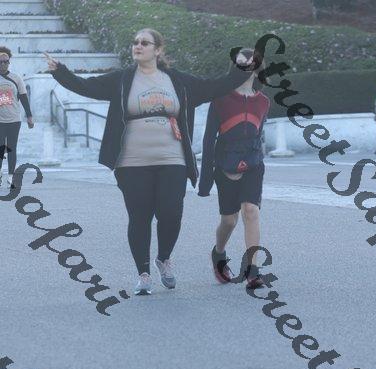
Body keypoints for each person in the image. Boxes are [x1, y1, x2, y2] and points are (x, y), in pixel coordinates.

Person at [44, 30, 253, 296]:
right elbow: (87, 86)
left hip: (173, 158)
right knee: (139, 216)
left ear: (158, 50)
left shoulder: (177, 80)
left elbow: (215, 86)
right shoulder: (122, 79)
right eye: (135, 42)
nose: (138, 46)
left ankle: (163, 258)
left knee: (171, 212)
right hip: (131, 161)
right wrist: (60, 71)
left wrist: (242, 70)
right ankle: (143, 274)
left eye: (144, 42)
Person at [198, 48, 270, 289]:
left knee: (251, 210)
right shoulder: (220, 99)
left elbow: (258, 135)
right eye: (241, 64)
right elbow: (209, 139)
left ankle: (252, 270)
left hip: (253, 164)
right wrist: (205, 179)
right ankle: (219, 252)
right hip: (225, 165)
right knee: (229, 220)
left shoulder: (263, 101)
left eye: (251, 64)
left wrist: (257, 157)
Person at [0, 46, 34, 189]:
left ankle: (10, 177)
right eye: (0, 62)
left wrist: (29, 116)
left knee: (11, 148)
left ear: (9, 62)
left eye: (6, 61)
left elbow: (24, 98)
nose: (3, 64)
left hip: (14, 119)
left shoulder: (16, 78)